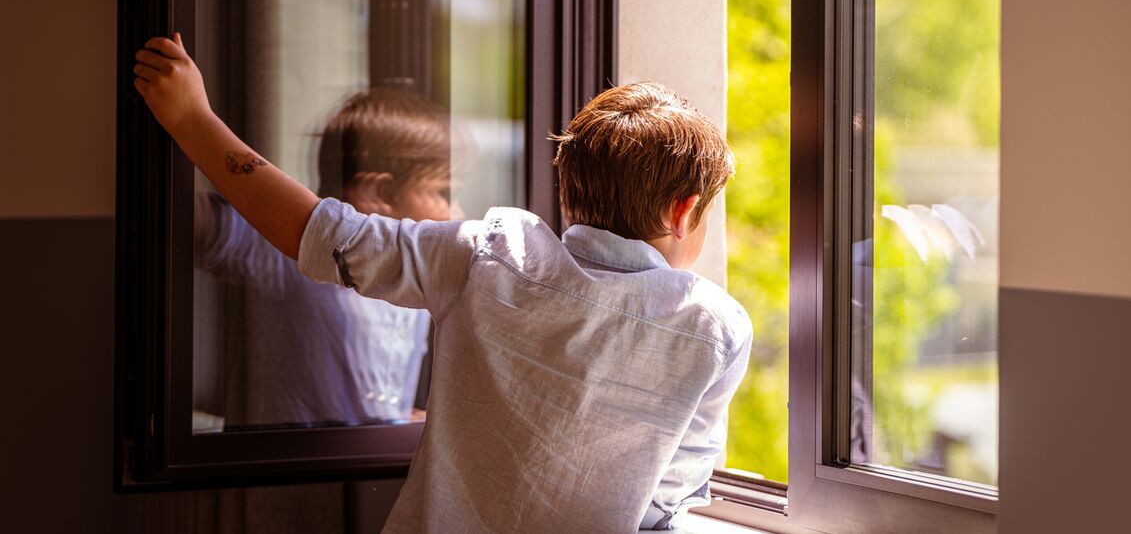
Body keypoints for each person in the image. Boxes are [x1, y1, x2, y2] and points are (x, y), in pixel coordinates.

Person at [134, 33, 751, 532]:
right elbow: (667, 498)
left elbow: (321, 231)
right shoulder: (714, 327)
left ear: (567, 195)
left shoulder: (491, 256)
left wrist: (192, 121)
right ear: (682, 210)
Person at [193, 88, 455, 428]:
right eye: (444, 192)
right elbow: (194, 220)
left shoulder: (416, 279)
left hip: (372, 474)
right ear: (380, 192)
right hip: (297, 472)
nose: (454, 211)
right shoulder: (284, 253)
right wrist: (192, 119)